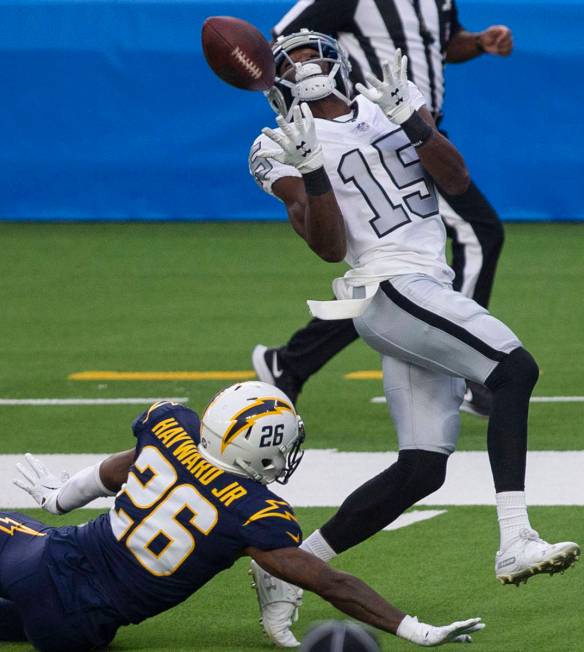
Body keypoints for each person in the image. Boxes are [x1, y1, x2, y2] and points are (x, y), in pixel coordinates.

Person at [247, 30, 579, 647]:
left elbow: (457, 180)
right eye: (290, 60)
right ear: (273, 78)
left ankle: (290, 568)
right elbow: (327, 247)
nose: (306, 65)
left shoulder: (386, 103)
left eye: (312, 53)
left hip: (427, 283)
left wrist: (415, 122)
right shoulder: (273, 145)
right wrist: (314, 171)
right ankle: (515, 538)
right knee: (514, 370)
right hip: (389, 287)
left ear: (337, 59)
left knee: (422, 470)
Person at [1, 383, 483, 651]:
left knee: (27, 542)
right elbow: (330, 583)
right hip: (77, 632)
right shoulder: (254, 513)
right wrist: (412, 628)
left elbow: (123, 465)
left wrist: (62, 497)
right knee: (32, 612)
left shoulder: (170, 427)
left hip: (42, 562)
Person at [252, 0, 513, 416]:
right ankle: (467, 369)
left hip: (412, 122)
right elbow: (285, 43)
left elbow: (444, 44)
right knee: (479, 234)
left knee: (394, 271)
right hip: (373, 128)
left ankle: (290, 362)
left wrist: (478, 43)